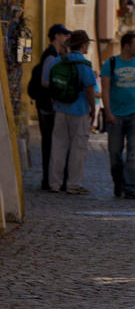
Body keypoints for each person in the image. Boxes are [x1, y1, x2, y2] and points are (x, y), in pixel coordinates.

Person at [45, 29, 96, 195]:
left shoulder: (58, 61)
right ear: (83, 45)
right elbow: (89, 88)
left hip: (60, 109)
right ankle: (73, 184)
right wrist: (93, 109)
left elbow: (51, 84)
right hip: (79, 109)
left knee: (58, 147)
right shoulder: (84, 65)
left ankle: (54, 183)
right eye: (87, 43)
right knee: (78, 149)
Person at [101, 32, 135, 199]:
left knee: (133, 154)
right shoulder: (111, 63)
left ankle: (130, 188)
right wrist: (107, 111)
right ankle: (118, 183)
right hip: (116, 115)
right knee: (114, 153)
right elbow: (105, 90)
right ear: (126, 46)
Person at [33, 23, 71, 191]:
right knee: (51, 144)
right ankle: (49, 179)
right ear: (57, 36)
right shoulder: (50, 56)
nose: (66, 38)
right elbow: (44, 81)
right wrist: (60, 86)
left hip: (49, 106)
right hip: (48, 107)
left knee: (53, 144)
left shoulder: (55, 54)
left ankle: (51, 178)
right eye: (64, 35)